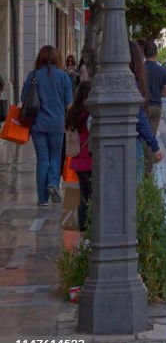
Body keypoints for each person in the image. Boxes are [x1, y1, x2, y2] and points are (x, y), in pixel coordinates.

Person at [20, 46, 72, 206]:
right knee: (56, 156)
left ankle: (42, 198)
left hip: (37, 125)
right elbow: (69, 104)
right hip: (57, 124)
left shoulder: (33, 75)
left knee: (42, 158)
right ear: (57, 58)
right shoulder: (64, 77)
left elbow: (23, 98)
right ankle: (53, 183)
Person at [128, 40, 163, 181]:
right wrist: (155, 147)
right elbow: (140, 118)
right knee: (135, 186)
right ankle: (148, 172)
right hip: (131, 141)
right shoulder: (133, 83)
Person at [65, 81, 92, 231]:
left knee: (83, 193)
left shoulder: (72, 111)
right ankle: (88, 222)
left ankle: (82, 223)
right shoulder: (91, 113)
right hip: (89, 159)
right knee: (91, 193)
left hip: (77, 160)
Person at [142, 41, 166, 176]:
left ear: (144, 53)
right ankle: (148, 170)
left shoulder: (139, 69)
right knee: (151, 138)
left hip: (141, 107)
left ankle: (139, 165)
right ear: (156, 53)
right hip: (155, 107)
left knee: (138, 137)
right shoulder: (162, 70)